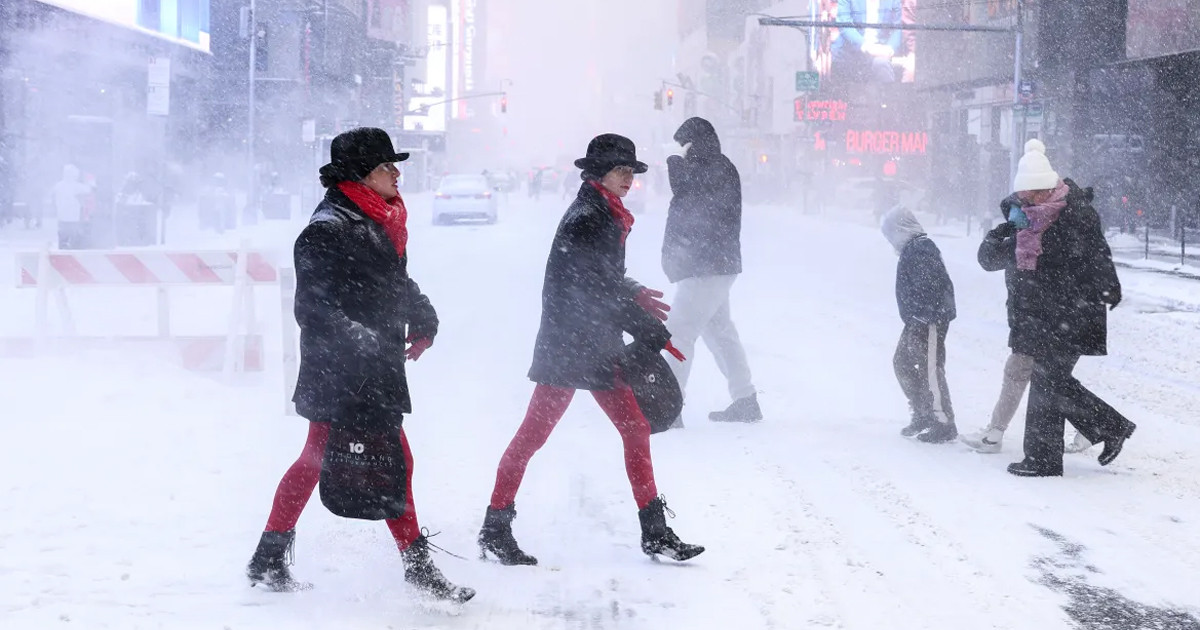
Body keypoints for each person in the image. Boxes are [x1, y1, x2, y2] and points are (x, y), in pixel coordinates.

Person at [245, 128, 474, 602]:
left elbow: (392, 281)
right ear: (360, 175)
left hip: (371, 367)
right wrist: (362, 341)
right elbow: (313, 308)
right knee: (390, 460)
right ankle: (417, 566)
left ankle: (268, 557)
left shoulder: (376, 218)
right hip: (342, 370)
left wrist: (422, 313)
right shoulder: (327, 228)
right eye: (387, 166)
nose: (397, 173)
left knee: (320, 460)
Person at [478, 134, 705, 566]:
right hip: (569, 346)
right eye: (620, 170)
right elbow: (593, 288)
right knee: (532, 437)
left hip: (595, 342)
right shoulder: (589, 217)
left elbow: (602, 277)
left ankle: (654, 532)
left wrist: (634, 293)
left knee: (635, 429)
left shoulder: (603, 211)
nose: (627, 178)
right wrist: (649, 329)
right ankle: (495, 526)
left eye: (631, 171)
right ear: (598, 173)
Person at [980, 140, 1136, 477]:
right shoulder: (1032, 219)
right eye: (1022, 196)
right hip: (1052, 315)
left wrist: (1108, 287)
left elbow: (1095, 253)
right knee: (1050, 381)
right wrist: (1012, 226)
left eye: (1030, 195)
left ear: (1046, 188)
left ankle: (1054, 454)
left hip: (1072, 314)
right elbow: (991, 255)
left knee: (1047, 381)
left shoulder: (1070, 215)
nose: (1025, 201)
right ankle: (1097, 433)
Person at [962, 193, 1090, 455]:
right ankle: (1091, 424)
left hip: (1036, 324)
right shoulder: (1030, 236)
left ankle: (995, 434)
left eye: (1017, 211)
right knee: (1053, 381)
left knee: (1020, 376)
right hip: (1036, 322)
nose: (1013, 217)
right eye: (1009, 212)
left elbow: (987, 259)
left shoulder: (1030, 238)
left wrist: (1002, 231)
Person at [661, 117, 759, 427]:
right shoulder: (719, 166)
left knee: (679, 333)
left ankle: (669, 408)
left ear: (695, 144)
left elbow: (690, 202)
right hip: (715, 264)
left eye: (685, 146)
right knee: (720, 332)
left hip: (707, 266)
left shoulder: (711, 168)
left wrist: (675, 165)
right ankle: (745, 400)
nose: (683, 152)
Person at [880, 206, 958, 443]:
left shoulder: (921, 249)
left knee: (930, 368)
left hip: (929, 319)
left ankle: (943, 422)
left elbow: (931, 287)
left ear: (901, 229)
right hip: (917, 319)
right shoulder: (912, 249)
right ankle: (923, 412)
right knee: (902, 362)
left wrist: (925, 316)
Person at [831, 0, 904, 84]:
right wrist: (867, 46)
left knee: (882, 64)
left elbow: (897, 28)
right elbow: (844, 24)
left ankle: (886, 95)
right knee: (837, 59)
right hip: (851, 49)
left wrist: (889, 49)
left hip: (879, 51)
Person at [53, 164, 92, 249]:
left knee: (62, 237)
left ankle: (62, 250)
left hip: (61, 217)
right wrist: (89, 180)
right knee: (74, 239)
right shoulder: (76, 186)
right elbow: (89, 190)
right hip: (74, 218)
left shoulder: (58, 186)